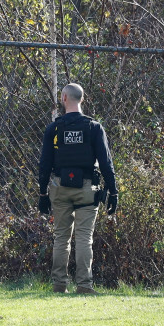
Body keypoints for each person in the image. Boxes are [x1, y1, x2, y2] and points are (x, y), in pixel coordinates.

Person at [38, 83, 118, 294]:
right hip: (87, 188)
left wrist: (42, 192)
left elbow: (45, 163)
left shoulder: (54, 128)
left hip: (59, 187)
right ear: (81, 99)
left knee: (61, 237)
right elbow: (106, 162)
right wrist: (113, 191)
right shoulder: (93, 127)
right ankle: (84, 285)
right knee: (84, 237)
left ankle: (59, 284)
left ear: (64, 97)